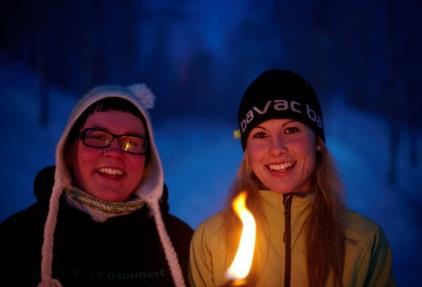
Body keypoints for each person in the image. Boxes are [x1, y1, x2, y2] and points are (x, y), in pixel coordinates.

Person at [189, 69, 395, 287]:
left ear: (316, 141)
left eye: (291, 130)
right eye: (260, 134)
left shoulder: (364, 240)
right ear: (247, 152)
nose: (276, 149)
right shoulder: (209, 241)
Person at [0, 84, 193, 286]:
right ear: (68, 152)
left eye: (131, 143)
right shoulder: (17, 240)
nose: (116, 152)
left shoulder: (183, 245)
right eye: (98, 137)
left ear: (147, 162)